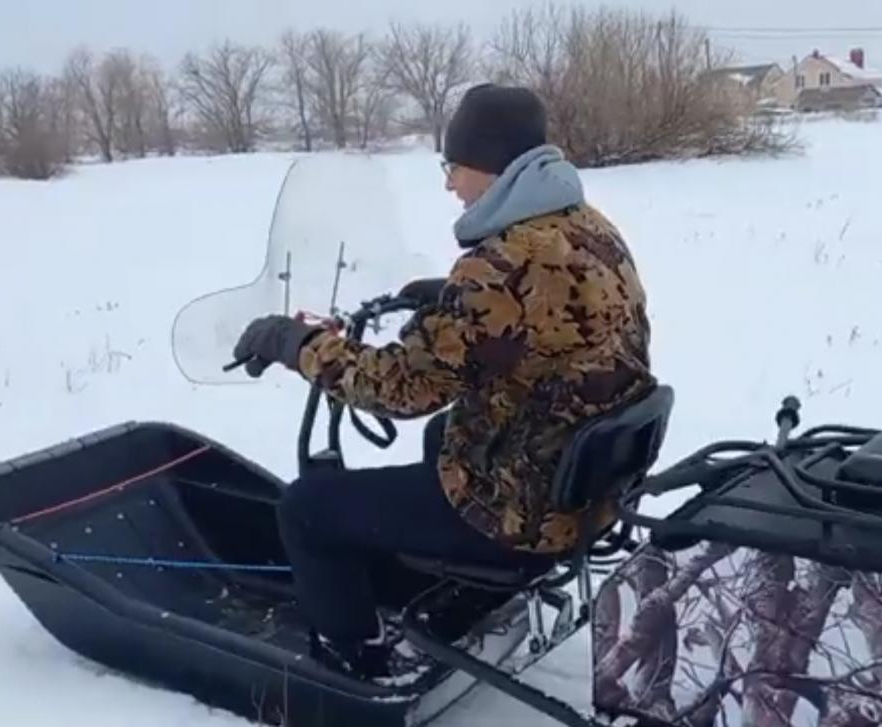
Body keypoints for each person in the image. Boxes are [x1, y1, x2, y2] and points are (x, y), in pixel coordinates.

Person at [229, 83, 656, 681]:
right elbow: (551, 318)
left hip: (526, 514)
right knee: (443, 436)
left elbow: (400, 388)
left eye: (452, 166)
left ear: (490, 163)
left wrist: (295, 345)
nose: (449, 184)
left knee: (306, 509)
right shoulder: (587, 228)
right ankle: (463, 589)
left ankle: (356, 660)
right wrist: (449, 300)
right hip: (586, 488)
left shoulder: (497, 265)